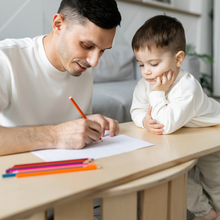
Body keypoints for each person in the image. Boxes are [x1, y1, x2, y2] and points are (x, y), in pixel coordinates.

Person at [0, 0, 121, 156]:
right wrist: (56, 135)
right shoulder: (5, 59)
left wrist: (87, 123)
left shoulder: (83, 68)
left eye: (102, 51)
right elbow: (61, 133)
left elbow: (69, 127)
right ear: (58, 24)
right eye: (86, 46)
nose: (94, 62)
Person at [130, 15, 220, 220]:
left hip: (211, 133)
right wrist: (143, 119)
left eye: (153, 63)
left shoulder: (187, 87)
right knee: (178, 175)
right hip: (183, 134)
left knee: (215, 180)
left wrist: (157, 93)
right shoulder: (146, 84)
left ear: (178, 59)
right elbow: (136, 109)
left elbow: (165, 124)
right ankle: (205, 212)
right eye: (141, 65)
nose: (147, 73)